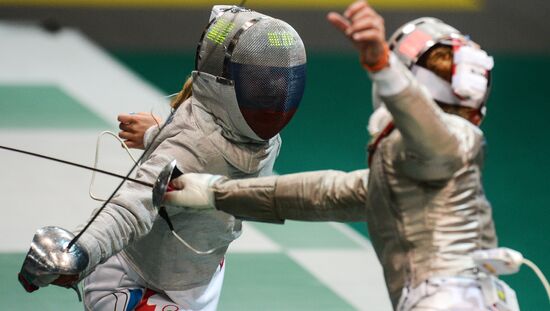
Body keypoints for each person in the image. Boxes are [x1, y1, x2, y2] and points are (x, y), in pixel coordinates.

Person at [161, 1, 519, 310]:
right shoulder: (408, 171)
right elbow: (321, 194)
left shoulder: (457, 143)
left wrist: (384, 69)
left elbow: (434, 135)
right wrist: (213, 192)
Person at [18, 5, 306, 311]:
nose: (276, 96)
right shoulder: (197, 144)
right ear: (223, 83)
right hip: (133, 280)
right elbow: (131, 207)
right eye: (262, 84)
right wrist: (80, 251)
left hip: (197, 276)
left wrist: (156, 135)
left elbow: (203, 154)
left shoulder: (252, 135)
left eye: (280, 82)